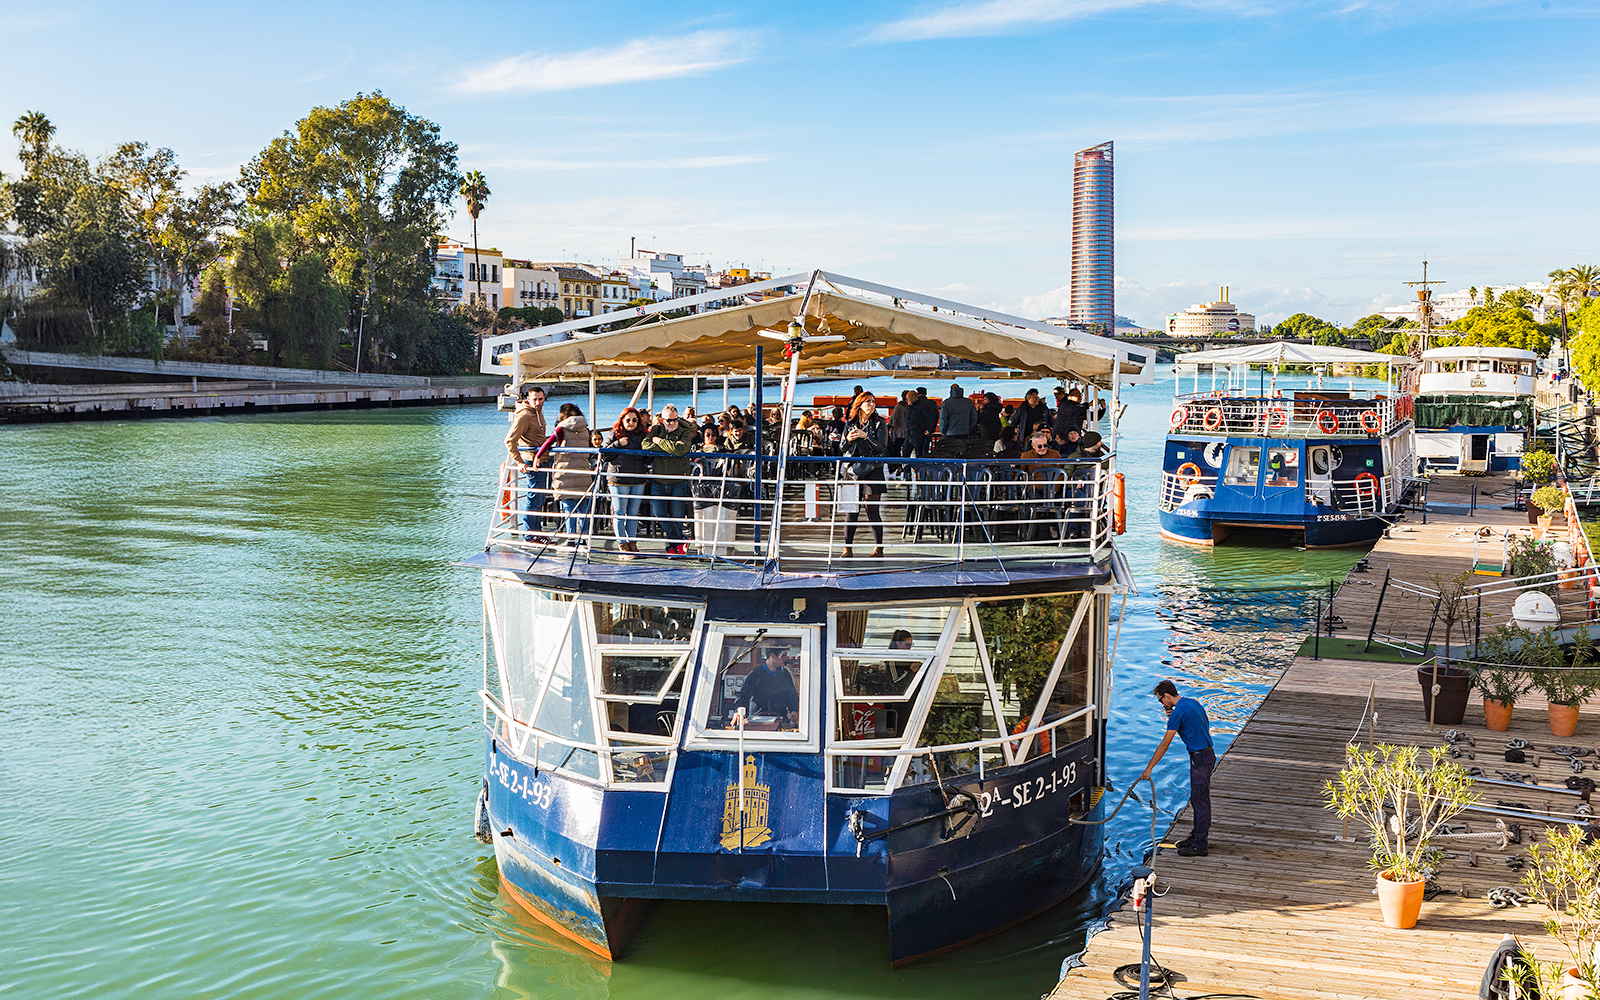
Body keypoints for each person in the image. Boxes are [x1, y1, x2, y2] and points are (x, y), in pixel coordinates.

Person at [1139, 680, 1215, 857]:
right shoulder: (1192, 703)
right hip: (1207, 753)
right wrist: (1173, 716)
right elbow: (1198, 724)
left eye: (1161, 701)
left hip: (1199, 758)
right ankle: (1196, 836)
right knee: (1199, 799)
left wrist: (1148, 768)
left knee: (1200, 801)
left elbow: (1165, 745)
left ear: (1167, 696)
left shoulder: (1177, 714)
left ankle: (1200, 845)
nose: (1162, 704)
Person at [535, 403, 593, 542]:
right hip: (583, 471)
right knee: (582, 507)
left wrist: (538, 456)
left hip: (565, 472)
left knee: (569, 508)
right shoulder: (585, 429)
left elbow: (548, 443)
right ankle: (584, 537)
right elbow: (590, 447)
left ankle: (571, 538)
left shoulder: (561, 429)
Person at [840, 392, 889, 559]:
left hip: (873, 470)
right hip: (852, 470)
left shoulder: (879, 423)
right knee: (851, 511)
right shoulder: (850, 423)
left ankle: (879, 549)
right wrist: (847, 439)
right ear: (859, 404)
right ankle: (847, 549)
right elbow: (841, 448)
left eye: (873, 401)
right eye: (868, 401)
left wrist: (865, 436)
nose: (872, 404)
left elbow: (881, 448)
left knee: (872, 509)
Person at [643, 404, 695, 554]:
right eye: (668, 420)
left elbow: (680, 450)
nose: (672, 423)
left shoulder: (684, 432)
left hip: (678, 480)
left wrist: (659, 442)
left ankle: (672, 547)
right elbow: (645, 445)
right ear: (662, 420)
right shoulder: (657, 430)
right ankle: (680, 540)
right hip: (659, 480)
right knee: (659, 513)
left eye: (675, 420)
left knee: (677, 516)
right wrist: (670, 445)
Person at [605, 408, 651, 557]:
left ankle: (632, 542)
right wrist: (618, 444)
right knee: (620, 512)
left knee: (632, 513)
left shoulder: (642, 436)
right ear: (622, 421)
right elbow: (603, 453)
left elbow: (648, 458)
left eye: (634, 420)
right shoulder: (614, 434)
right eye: (628, 420)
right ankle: (622, 544)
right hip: (618, 479)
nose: (631, 423)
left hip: (638, 479)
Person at [505, 383, 547, 537]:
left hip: (542, 460)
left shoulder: (538, 413)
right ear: (528, 399)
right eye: (534, 399)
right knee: (534, 498)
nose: (538, 402)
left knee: (540, 497)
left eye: (540, 399)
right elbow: (510, 440)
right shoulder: (524, 416)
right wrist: (519, 462)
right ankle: (530, 534)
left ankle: (537, 531)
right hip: (531, 462)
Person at [692, 424, 739, 557]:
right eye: (708, 435)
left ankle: (719, 543)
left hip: (717, 482)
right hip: (698, 484)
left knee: (718, 512)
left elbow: (725, 462)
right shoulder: (695, 448)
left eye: (713, 435)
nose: (710, 438)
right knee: (699, 514)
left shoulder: (721, 448)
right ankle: (700, 542)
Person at [735, 645, 800, 725]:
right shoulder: (755, 674)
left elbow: (791, 694)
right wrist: (738, 711)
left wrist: (793, 710)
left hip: (780, 720)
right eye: (783, 655)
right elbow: (743, 695)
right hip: (757, 721)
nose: (785, 658)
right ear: (772, 656)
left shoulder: (785, 674)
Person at [937, 383, 979, 457]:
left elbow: (943, 419)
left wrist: (943, 431)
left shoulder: (946, 403)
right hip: (965, 433)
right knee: (963, 452)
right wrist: (968, 428)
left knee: (950, 454)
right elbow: (974, 417)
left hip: (950, 434)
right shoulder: (968, 402)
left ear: (951, 391)